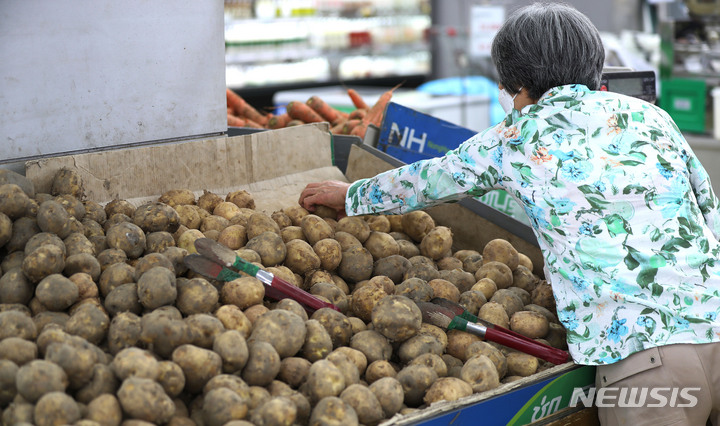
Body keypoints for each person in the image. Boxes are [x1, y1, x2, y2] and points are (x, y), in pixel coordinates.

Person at [299, 2, 720, 425]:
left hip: (647, 362)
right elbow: (709, 209)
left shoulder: (516, 137)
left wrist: (349, 196)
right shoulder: (651, 116)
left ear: (517, 83)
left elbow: (428, 181)